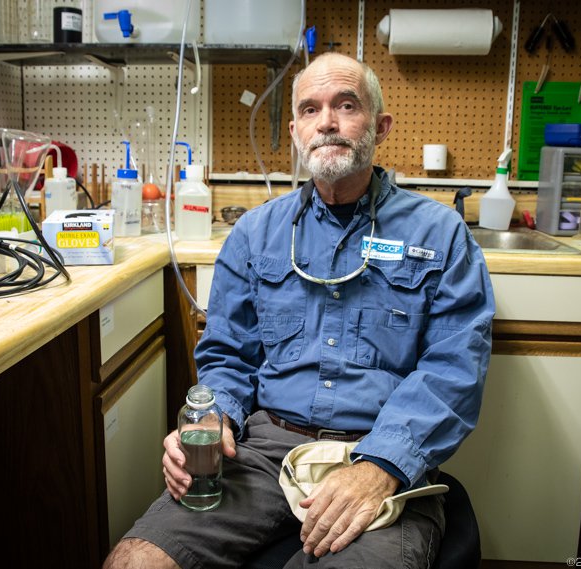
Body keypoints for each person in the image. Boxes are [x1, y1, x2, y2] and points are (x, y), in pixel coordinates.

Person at [104, 52, 495, 569]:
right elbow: (227, 355)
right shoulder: (254, 234)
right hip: (263, 451)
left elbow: (454, 369)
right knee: (135, 561)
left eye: (346, 105)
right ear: (295, 131)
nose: (327, 122)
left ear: (380, 126)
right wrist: (214, 418)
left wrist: (381, 466)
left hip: (377, 450)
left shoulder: (439, 234)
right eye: (311, 109)